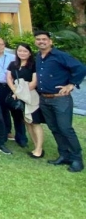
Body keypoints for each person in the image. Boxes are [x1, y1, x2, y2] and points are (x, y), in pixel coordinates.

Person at [34, 31, 86, 172]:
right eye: (38, 39)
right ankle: (64, 155)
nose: (41, 41)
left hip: (60, 99)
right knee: (54, 128)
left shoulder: (60, 55)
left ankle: (77, 159)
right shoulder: (38, 57)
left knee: (65, 129)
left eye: (44, 39)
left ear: (50, 41)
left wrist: (71, 84)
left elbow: (81, 68)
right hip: (44, 99)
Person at [6, 43, 44, 159]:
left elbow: (34, 82)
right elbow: (9, 78)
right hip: (18, 95)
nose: (22, 53)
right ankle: (36, 146)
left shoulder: (33, 65)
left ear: (29, 53)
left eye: (25, 51)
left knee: (35, 122)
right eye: (20, 51)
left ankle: (39, 149)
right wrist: (15, 91)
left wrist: (19, 93)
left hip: (31, 96)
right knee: (27, 122)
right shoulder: (13, 64)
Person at [0, 36, 20, 145]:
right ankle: (3, 132)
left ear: (4, 45)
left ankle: (21, 137)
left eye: (1, 44)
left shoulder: (13, 57)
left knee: (16, 111)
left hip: (12, 87)